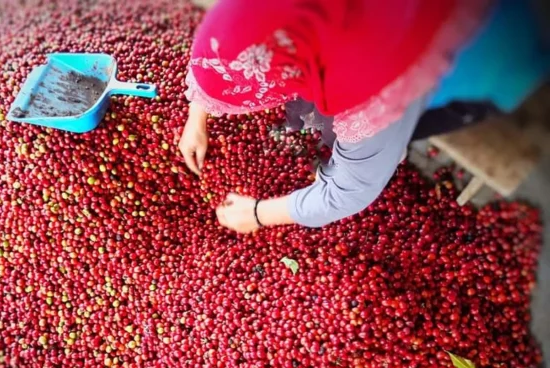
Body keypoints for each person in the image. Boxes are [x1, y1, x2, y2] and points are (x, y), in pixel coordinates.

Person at [178, 0, 550, 233]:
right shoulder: (277, 12)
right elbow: (227, 43)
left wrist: (258, 214)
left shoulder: (367, 89)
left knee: (361, 138)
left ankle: (413, 128)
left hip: (489, 53)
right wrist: (198, 116)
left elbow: (348, 193)